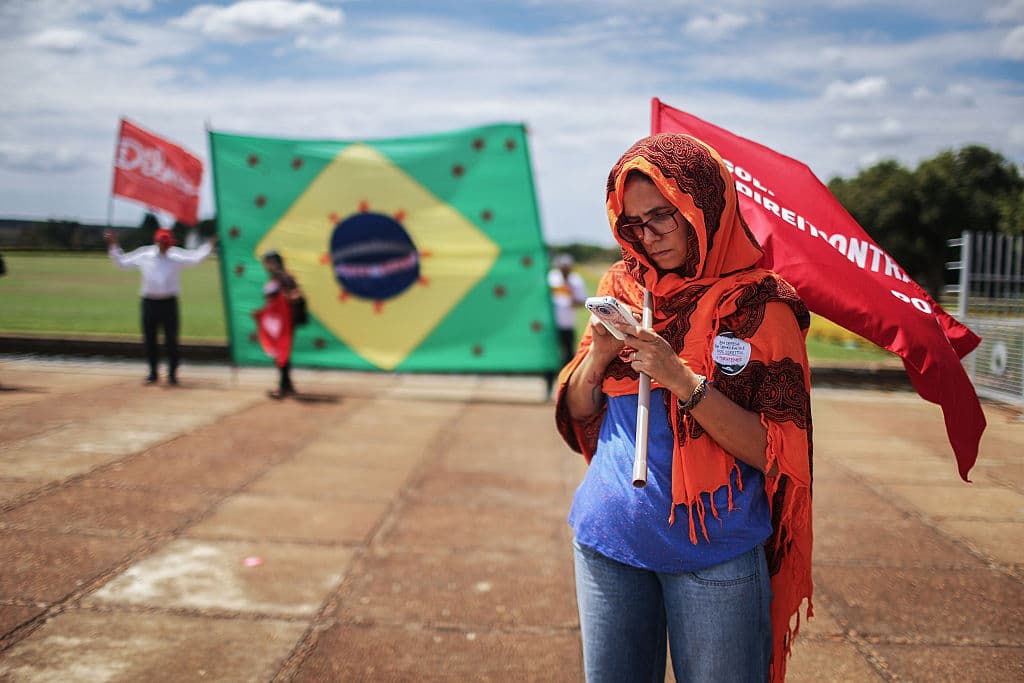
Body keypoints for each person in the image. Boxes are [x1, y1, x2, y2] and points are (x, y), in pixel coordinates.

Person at [555, 133, 813, 682]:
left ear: (704, 203)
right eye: (632, 225)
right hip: (606, 540)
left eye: (662, 217)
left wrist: (680, 379)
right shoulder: (622, 285)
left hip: (714, 551)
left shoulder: (764, 306)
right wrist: (599, 355)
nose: (647, 238)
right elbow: (579, 408)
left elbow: (780, 452)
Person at [104, 226, 217, 386]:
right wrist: (113, 244)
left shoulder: (175, 255)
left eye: (168, 243)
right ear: (157, 242)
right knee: (150, 339)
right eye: (164, 244)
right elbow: (122, 263)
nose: (166, 247)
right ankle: (152, 373)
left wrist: (210, 245)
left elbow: (195, 258)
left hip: (169, 302)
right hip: (149, 302)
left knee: (171, 340)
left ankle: (172, 374)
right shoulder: (144, 254)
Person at [255, 250, 303, 399]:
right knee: (280, 353)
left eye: (268, 262)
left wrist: (285, 299)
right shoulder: (275, 278)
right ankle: (287, 385)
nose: (266, 265)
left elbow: (296, 295)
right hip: (276, 322)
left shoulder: (285, 278)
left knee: (282, 353)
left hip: (285, 322)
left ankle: (283, 387)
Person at [548, 254, 588, 366]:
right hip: (552, 324)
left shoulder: (576, 280)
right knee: (552, 353)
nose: (565, 270)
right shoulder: (551, 277)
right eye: (563, 267)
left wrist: (572, 299)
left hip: (568, 324)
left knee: (568, 354)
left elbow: (582, 302)